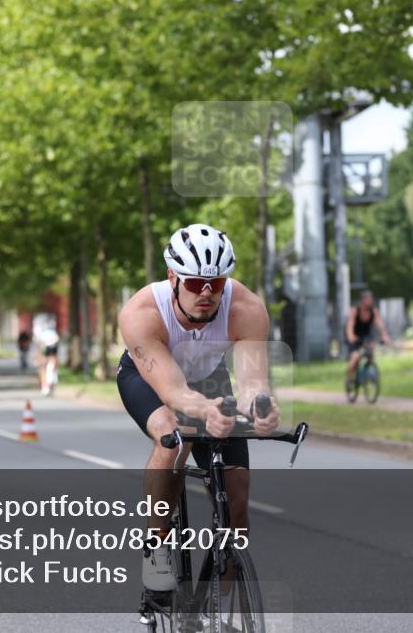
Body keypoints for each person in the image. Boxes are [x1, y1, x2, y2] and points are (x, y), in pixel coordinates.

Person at [117, 223, 280, 591]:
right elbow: (174, 392)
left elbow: (253, 382)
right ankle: (157, 547)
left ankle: (220, 606)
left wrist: (260, 408)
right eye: (194, 283)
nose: (206, 293)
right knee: (175, 433)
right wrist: (208, 412)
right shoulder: (141, 312)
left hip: (208, 377)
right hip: (150, 378)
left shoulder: (246, 308)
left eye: (217, 283)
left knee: (237, 497)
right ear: (172, 277)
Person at [344, 290, 392, 392]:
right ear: (362, 300)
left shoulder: (373, 311)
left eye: (371, 299)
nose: (370, 302)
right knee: (355, 357)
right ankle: (348, 379)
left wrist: (385, 336)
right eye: (368, 299)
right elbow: (350, 325)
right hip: (354, 336)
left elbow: (380, 324)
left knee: (371, 348)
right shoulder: (355, 310)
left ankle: (369, 369)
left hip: (366, 336)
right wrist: (351, 336)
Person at [36, 325, 60, 394]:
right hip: (49, 347)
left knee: (43, 366)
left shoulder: (43, 336)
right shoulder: (52, 335)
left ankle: (45, 385)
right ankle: (47, 383)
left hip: (47, 347)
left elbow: (40, 350)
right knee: (47, 364)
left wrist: (38, 359)